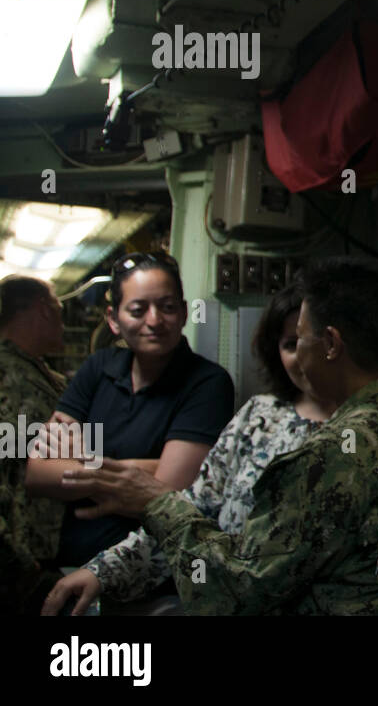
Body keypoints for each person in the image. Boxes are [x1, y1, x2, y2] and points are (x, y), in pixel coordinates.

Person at [58, 256, 378, 614]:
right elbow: (202, 502)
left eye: (301, 338)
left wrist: (157, 501)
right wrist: (104, 570)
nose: (298, 356)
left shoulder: (329, 454)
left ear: (331, 344)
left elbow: (238, 591)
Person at [41, 281, 328, 615]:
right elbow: (192, 512)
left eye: (312, 342)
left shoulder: (365, 430)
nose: (303, 358)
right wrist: (101, 572)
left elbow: (172, 483)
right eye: (290, 345)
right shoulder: (260, 416)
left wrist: (91, 467)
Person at [25, 252, 234, 567]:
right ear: (113, 319)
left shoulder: (207, 383)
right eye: (138, 310)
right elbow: (36, 471)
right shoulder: (98, 368)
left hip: (149, 569)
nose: (154, 320)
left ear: (184, 312)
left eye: (167, 307)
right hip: (70, 560)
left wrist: (82, 461)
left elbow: (169, 494)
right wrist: (138, 470)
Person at [0, 276, 68, 613]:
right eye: (59, 309)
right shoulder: (10, 377)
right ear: (43, 310)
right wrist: (20, 560)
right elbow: (11, 471)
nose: (63, 321)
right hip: (21, 562)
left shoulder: (35, 372)